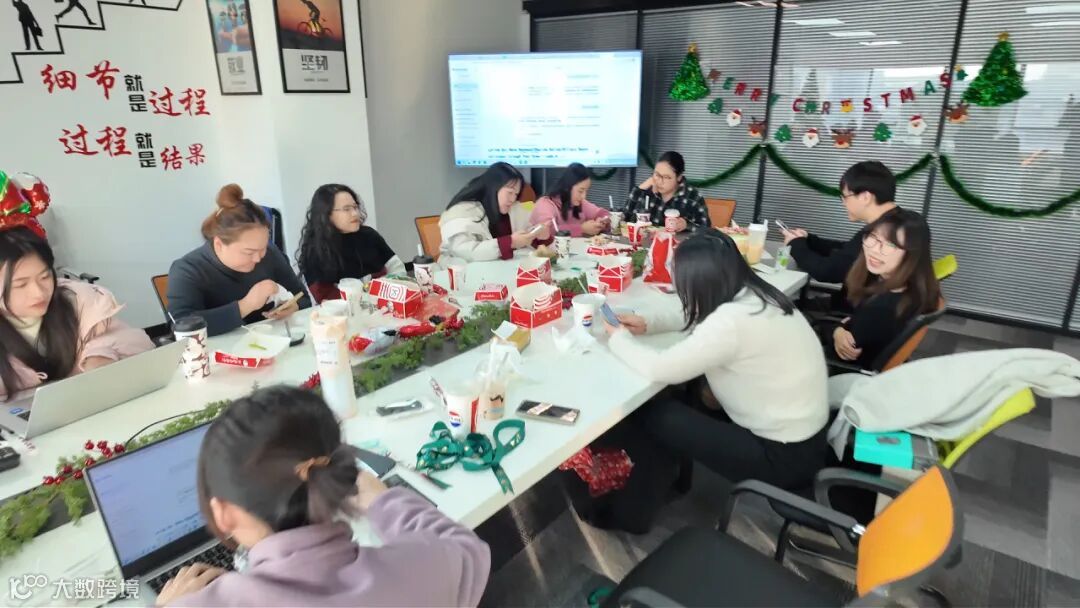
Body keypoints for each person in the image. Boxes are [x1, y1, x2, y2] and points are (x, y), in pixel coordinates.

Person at [156, 386, 491, 607]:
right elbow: (467, 548)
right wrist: (384, 502)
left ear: (224, 514)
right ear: (332, 475)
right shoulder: (419, 571)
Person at [603, 231, 828, 490]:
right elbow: (701, 312)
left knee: (657, 414)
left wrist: (618, 338)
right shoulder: (758, 295)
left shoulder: (731, 321)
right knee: (690, 397)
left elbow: (660, 368)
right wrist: (648, 323)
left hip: (782, 457)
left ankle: (640, 493)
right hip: (807, 439)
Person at [0, 199, 153, 400]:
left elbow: (138, 342)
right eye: (21, 285)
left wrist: (101, 354)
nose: (39, 293)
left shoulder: (78, 300)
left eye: (45, 277)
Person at [167, 184, 310, 337]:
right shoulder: (187, 269)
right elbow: (181, 326)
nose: (258, 258)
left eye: (262, 248)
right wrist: (245, 306)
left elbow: (303, 298)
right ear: (219, 244)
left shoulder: (270, 254)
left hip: (273, 341)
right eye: (249, 252)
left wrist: (293, 305)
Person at [824, 209, 940, 369]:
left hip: (845, 371)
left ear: (912, 254)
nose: (874, 250)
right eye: (873, 237)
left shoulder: (881, 308)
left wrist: (835, 331)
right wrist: (842, 327)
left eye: (891, 244)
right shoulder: (913, 289)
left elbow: (843, 352)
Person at [781, 161, 901, 285]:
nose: (843, 203)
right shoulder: (896, 221)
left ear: (865, 197)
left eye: (845, 197)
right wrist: (808, 240)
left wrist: (795, 245)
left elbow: (828, 271)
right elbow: (848, 251)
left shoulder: (886, 231)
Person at [296, 184, 405, 303]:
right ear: (326, 214)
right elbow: (326, 299)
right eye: (346, 209)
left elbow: (397, 269)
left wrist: (388, 290)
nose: (355, 213)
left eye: (355, 207)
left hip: (386, 305)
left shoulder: (370, 235)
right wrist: (370, 295)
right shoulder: (315, 251)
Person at [439, 162, 552, 262]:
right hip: (461, 273)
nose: (513, 199)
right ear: (493, 188)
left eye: (516, 194)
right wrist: (510, 242)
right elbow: (463, 252)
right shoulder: (462, 211)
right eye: (510, 192)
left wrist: (540, 236)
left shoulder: (513, 209)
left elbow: (528, 239)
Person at [623, 151, 710, 232]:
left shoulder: (693, 197)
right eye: (657, 174)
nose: (660, 182)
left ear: (679, 177)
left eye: (666, 177)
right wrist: (639, 189)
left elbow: (707, 231)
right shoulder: (646, 191)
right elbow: (625, 219)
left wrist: (687, 225)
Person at [528, 163, 611, 237]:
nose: (584, 196)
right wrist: (581, 229)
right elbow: (546, 231)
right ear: (567, 187)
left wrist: (603, 220)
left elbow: (602, 213)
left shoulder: (579, 203)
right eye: (580, 191)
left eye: (586, 191)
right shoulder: (545, 204)